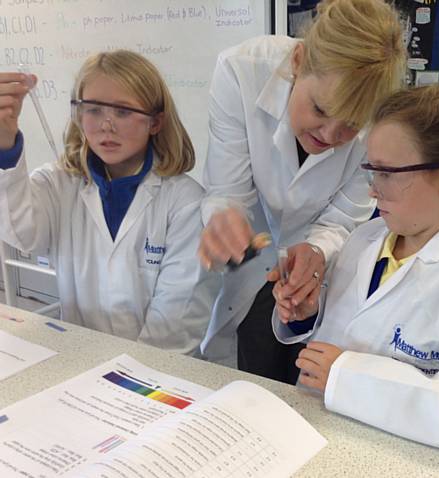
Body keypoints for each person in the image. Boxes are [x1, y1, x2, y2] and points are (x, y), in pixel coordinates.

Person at [272, 85, 439, 453]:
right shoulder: (364, 239)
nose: (373, 191)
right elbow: (345, 330)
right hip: (319, 434)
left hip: (395, 455)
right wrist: (307, 314)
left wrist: (348, 377)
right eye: (372, 171)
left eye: (387, 173)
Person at [198, 0, 406, 382]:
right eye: (321, 110)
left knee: (301, 377)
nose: (329, 136)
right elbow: (228, 189)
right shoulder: (240, 71)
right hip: (249, 263)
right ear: (298, 60)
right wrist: (225, 216)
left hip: (317, 276)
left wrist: (317, 249)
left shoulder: (382, 122)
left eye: (350, 127)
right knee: (243, 369)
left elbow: (344, 219)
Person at [0, 50, 216, 355]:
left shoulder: (185, 202)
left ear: (155, 122)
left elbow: (174, 324)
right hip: (78, 361)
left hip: (157, 373)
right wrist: (4, 146)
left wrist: (127, 375)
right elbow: (22, 234)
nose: (106, 126)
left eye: (123, 112)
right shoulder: (60, 183)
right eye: (94, 110)